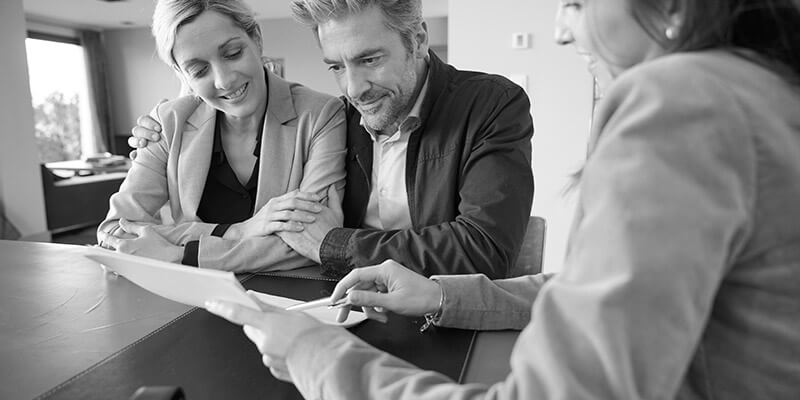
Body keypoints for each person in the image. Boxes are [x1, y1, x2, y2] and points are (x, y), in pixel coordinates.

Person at [205, 0, 800, 398]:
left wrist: (322, 360)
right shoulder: (759, 88)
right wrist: (441, 292)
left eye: (579, 1)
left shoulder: (682, 100)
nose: (564, 28)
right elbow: (594, 286)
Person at [130, 0, 535, 279]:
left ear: (419, 40)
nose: (355, 88)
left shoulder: (491, 104)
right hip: (342, 303)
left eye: (369, 59)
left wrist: (335, 244)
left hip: (441, 310)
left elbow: (484, 249)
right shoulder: (342, 116)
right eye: (337, 67)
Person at [98, 0, 346, 272]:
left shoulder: (321, 114)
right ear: (182, 74)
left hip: (288, 298)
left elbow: (315, 240)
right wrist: (238, 231)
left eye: (232, 53)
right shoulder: (167, 123)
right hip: (187, 296)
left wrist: (180, 254)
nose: (224, 81)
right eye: (199, 70)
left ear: (256, 39)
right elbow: (115, 233)